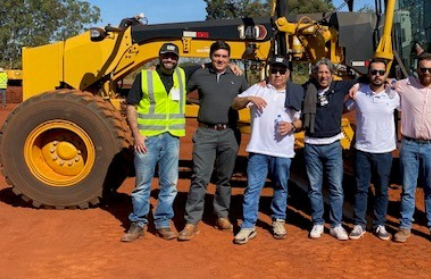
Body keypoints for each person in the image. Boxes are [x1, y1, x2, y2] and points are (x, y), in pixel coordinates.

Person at [178, 40, 249, 241]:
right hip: (205, 133)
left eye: (224, 57)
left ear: (229, 59)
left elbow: (250, 97)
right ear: (211, 57)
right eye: (217, 56)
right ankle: (191, 221)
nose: (220, 60)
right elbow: (180, 75)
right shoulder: (200, 74)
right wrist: (197, 66)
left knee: (225, 178)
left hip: (229, 133)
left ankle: (222, 215)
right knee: (199, 177)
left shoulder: (237, 76)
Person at [231, 56, 303, 244]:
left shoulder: (295, 92)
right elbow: (235, 103)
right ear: (269, 72)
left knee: (281, 187)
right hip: (258, 149)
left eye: (281, 71)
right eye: (274, 70)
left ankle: (278, 220)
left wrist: (292, 127)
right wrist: (249, 97)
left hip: (283, 150)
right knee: (253, 188)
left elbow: (302, 119)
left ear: (287, 73)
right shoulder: (259, 88)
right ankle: (248, 225)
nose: (277, 74)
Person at [121, 43, 187, 242]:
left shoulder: (182, 75)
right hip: (147, 138)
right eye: (166, 56)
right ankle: (138, 223)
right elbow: (131, 106)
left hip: (172, 137)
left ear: (177, 59)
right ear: (159, 57)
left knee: (169, 183)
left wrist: (233, 67)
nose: (170, 60)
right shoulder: (145, 76)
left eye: (173, 57)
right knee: (142, 184)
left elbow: (209, 68)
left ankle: (163, 222)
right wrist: (136, 134)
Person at [393, 53, 431, 245]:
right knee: (408, 189)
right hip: (409, 144)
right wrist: (359, 85)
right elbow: (383, 81)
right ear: (417, 69)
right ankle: (405, 226)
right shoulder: (405, 85)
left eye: (430, 70)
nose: (426, 73)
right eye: (423, 69)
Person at [302, 58, 358, 241]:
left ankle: (336, 224)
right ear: (315, 73)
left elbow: (364, 80)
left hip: (333, 145)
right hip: (312, 145)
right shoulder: (306, 89)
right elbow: (283, 86)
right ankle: (317, 222)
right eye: (320, 72)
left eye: (327, 72)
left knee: (336, 187)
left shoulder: (339, 87)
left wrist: (356, 87)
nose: (323, 76)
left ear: (332, 74)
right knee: (314, 188)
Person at [346, 59, 400, 241]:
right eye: (374, 72)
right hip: (363, 149)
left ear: (386, 74)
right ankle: (359, 224)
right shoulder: (359, 93)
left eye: (381, 72)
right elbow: (343, 108)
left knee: (382, 190)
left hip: (384, 151)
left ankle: (380, 224)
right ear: (368, 73)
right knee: (361, 188)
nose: (377, 75)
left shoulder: (394, 96)